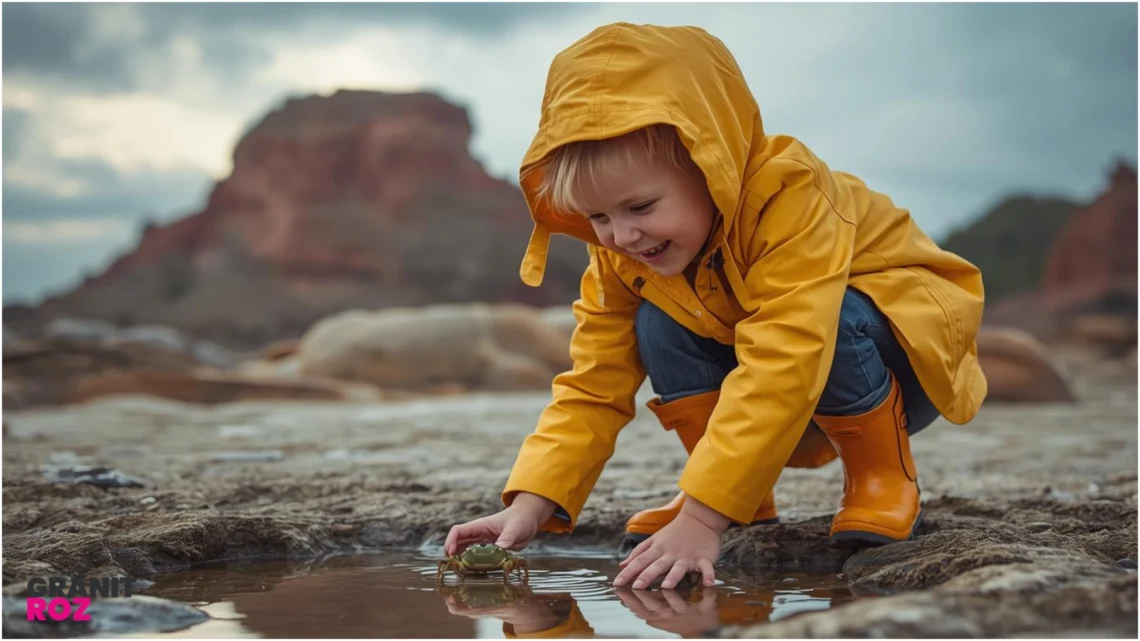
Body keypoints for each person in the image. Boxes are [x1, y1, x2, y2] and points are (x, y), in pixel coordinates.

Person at [444, 22, 987, 591]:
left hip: (902, 365)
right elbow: (593, 386)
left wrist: (700, 517)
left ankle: (881, 478)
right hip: (787, 392)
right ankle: (741, 493)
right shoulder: (620, 258)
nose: (621, 236)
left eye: (640, 206)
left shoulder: (791, 195)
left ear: (711, 165)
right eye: (598, 218)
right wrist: (529, 504)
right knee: (655, 321)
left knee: (839, 311)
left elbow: (786, 354)